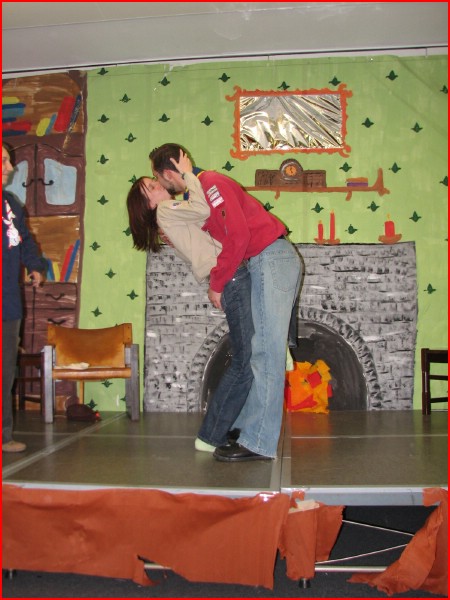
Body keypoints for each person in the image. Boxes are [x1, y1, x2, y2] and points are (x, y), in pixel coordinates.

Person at [150, 143, 302, 461]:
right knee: (259, 351)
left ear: (167, 173)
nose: (162, 186)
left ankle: (258, 442)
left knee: (265, 354)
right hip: (261, 262)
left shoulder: (211, 183)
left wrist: (217, 284)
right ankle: (247, 428)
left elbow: (239, 237)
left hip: (271, 258)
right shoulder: (200, 193)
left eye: (159, 180)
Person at [126, 165, 254, 453]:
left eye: (156, 181)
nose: (160, 185)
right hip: (231, 278)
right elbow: (203, 208)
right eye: (153, 187)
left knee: (245, 358)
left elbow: (201, 221)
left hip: (229, 278)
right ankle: (211, 435)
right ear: (149, 203)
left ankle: (228, 426)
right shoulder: (166, 210)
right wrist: (188, 174)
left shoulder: (169, 215)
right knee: (244, 361)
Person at [2, 143, 46, 453]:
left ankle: (3, 435)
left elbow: (26, 241)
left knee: (5, 372)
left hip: (8, 303)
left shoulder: (12, 205)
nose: (10, 167)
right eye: (4, 161)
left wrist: (35, 266)